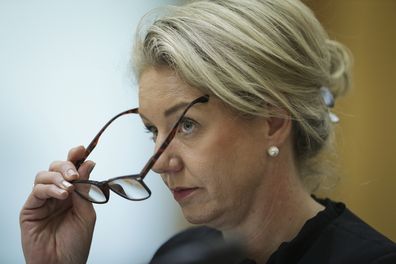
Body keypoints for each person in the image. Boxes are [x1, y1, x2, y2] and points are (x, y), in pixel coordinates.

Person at [20, 0, 396, 263]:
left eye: (186, 125)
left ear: (273, 122)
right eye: (152, 129)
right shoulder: (176, 256)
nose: (160, 163)